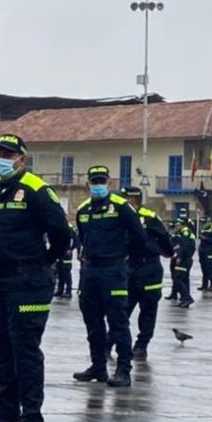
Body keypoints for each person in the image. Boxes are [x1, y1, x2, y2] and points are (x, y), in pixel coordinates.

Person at [0, 134, 71, 422]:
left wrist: (45, 262)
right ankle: (7, 412)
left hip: (28, 280)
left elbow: (62, 233)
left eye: (7, 154)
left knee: (24, 349)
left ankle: (31, 417)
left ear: (21, 159)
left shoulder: (36, 189)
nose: (0, 159)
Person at [73, 166, 147, 388]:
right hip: (90, 271)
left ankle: (123, 370)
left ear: (109, 183)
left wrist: (130, 263)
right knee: (92, 321)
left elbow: (139, 236)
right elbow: (82, 237)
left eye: (102, 181)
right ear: (88, 183)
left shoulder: (121, 207)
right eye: (94, 181)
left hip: (114, 270)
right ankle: (98, 366)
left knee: (118, 322)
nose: (98, 185)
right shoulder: (83, 210)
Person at [122, 187, 174, 358]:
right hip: (128, 267)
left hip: (149, 268)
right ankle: (112, 342)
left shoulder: (149, 217)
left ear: (133, 200)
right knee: (121, 309)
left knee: (148, 309)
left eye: (126, 199)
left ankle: (142, 344)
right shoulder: (119, 216)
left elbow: (164, 238)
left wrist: (167, 252)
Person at [171, 222, 196, 309]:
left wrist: (179, 257)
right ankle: (184, 299)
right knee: (184, 280)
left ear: (182, 225)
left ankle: (187, 298)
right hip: (186, 259)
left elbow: (184, 246)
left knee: (177, 279)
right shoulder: (184, 232)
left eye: (177, 225)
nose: (176, 226)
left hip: (184, 259)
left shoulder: (185, 232)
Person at [54, 226, 76, 299]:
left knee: (66, 273)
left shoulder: (69, 228)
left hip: (66, 254)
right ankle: (60, 290)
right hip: (59, 253)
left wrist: (70, 249)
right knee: (60, 273)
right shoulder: (58, 227)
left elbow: (75, 240)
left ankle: (68, 291)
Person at [198, 218, 212, 292]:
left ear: (209, 222)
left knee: (210, 268)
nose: (204, 224)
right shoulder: (203, 228)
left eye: (205, 222)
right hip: (202, 250)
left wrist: (205, 238)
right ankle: (204, 285)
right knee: (204, 268)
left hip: (209, 251)